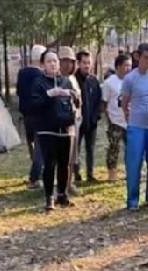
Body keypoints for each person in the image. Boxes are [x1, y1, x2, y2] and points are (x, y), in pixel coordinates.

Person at [27, 49, 80, 210]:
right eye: (49, 61)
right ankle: (49, 197)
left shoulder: (66, 81)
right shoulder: (38, 83)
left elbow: (77, 102)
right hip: (47, 129)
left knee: (64, 164)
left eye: (55, 61)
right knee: (49, 164)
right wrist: (49, 95)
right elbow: (33, 105)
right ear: (43, 64)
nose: (53, 64)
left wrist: (74, 95)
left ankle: (62, 195)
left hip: (66, 128)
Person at [120, 43, 148, 211]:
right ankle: (132, 200)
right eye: (146, 58)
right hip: (136, 125)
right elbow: (125, 101)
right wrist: (127, 114)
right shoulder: (130, 78)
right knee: (134, 163)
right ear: (138, 57)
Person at [16, 44, 48, 189]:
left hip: (26, 115)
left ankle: (36, 170)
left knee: (31, 144)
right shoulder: (42, 76)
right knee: (40, 147)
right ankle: (35, 177)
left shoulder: (22, 73)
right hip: (40, 115)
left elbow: (18, 92)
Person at [101, 53, 131, 182]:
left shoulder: (132, 81)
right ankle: (112, 173)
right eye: (126, 65)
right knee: (114, 148)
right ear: (118, 66)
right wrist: (109, 119)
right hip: (115, 122)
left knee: (131, 149)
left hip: (130, 121)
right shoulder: (109, 83)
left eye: (130, 65)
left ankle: (131, 172)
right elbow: (104, 102)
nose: (128, 68)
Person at [74, 50, 102, 183]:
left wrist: (96, 117)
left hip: (92, 122)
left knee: (90, 149)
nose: (87, 65)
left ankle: (90, 174)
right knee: (76, 149)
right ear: (78, 63)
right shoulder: (73, 80)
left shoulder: (94, 80)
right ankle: (76, 174)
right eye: (84, 63)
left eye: (89, 63)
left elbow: (98, 100)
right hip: (77, 122)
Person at [59, 47, 83, 195]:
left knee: (72, 156)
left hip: (75, 121)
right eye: (64, 61)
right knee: (63, 157)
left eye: (70, 61)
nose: (68, 64)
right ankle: (62, 186)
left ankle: (69, 183)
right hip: (63, 122)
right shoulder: (57, 79)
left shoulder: (73, 78)